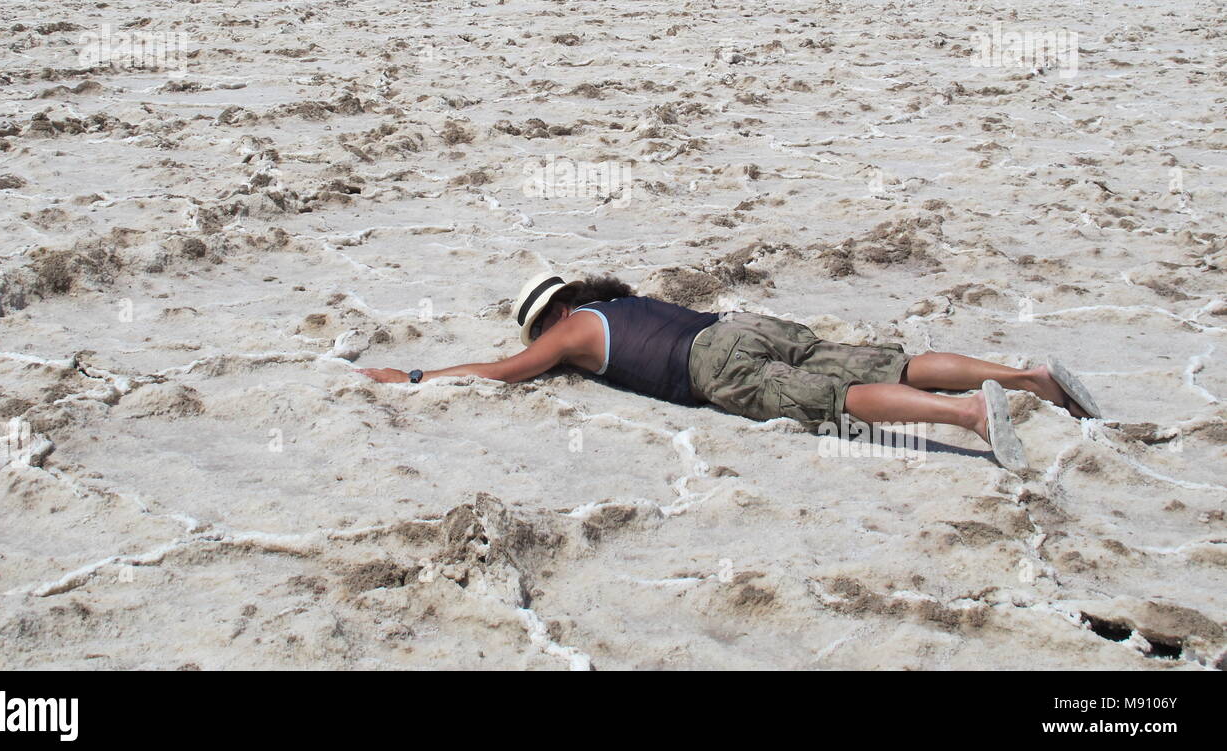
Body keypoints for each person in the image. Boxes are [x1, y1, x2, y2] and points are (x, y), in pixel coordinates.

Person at [357, 272, 1102, 472]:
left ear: (549, 316)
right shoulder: (622, 301)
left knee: (833, 398)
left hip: (712, 363)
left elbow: (503, 372)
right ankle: (1027, 374)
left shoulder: (571, 333)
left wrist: (416, 377)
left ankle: (972, 415)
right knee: (890, 357)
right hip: (743, 323)